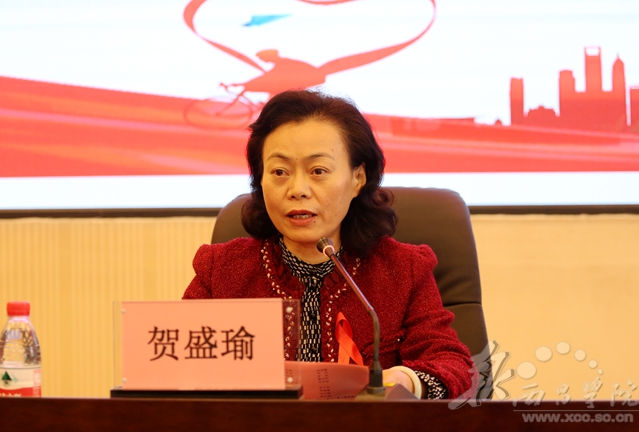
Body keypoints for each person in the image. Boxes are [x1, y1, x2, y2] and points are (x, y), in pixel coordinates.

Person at [183, 90, 474, 399]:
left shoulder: (404, 269)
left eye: (318, 171)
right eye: (279, 172)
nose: (297, 189)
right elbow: (177, 365)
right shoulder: (221, 270)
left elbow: (453, 364)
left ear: (358, 178)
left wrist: (407, 380)